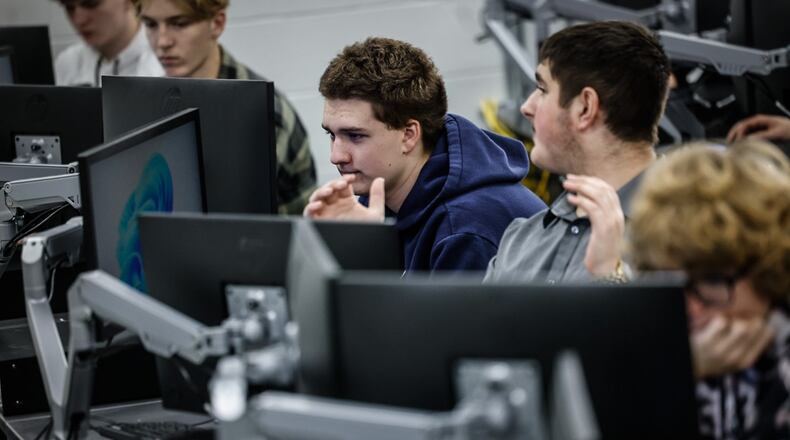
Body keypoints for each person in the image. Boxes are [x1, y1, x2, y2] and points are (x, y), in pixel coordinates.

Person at [304, 37, 546, 272]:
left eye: (355, 136)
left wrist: (368, 256)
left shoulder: (465, 229)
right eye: (332, 135)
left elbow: (406, 314)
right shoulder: (381, 193)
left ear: (409, 135)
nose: (336, 156)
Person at [483, 20, 671, 284]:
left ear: (585, 108)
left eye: (542, 90)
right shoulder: (518, 242)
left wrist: (610, 277)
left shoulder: (697, 236)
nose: (526, 107)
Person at [628, 140, 790, 439]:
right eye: (669, 280)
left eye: (713, 281)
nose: (690, 308)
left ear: (771, 271)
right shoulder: (674, 356)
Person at [134, 0, 317, 215]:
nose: (162, 41)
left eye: (180, 24)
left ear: (217, 23)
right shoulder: (155, 99)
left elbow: (234, 222)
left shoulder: (263, 112)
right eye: (151, 25)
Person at [53, 0, 164, 86]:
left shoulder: (165, 61)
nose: (79, 20)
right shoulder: (68, 62)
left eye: (92, 3)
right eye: (69, 7)